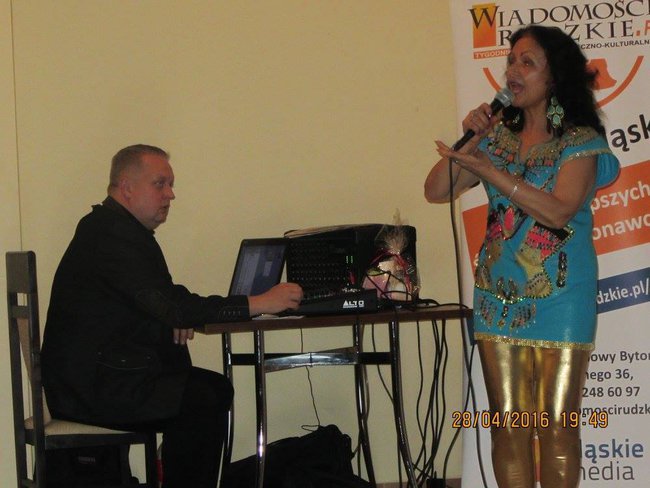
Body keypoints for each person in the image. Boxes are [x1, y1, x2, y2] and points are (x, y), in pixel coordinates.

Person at [424, 25, 619, 488]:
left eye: (527, 62)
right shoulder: (495, 140)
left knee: (556, 427)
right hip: (498, 295)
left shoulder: (579, 141)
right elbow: (435, 190)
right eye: (511, 60)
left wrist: (492, 173)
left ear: (554, 77)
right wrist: (473, 139)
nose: (513, 70)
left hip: (562, 297)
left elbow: (559, 210)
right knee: (507, 428)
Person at [41, 144, 303, 488]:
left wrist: (171, 320)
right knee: (207, 396)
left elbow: (155, 300)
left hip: (93, 379)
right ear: (127, 187)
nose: (170, 194)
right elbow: (171, 304)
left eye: (170, 184)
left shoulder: (109, 227)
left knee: (203, 389)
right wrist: (260, 302)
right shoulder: (113, 234)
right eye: (160, 184)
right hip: (93, 389)